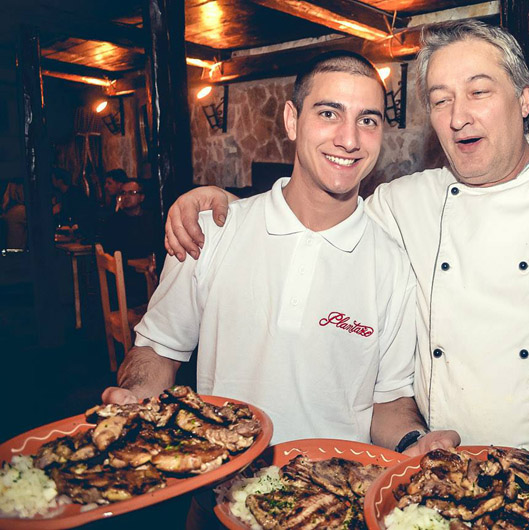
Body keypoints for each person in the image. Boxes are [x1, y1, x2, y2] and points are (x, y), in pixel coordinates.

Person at [164, 22, 529, 530]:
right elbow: (316, 210)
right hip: (449, 491)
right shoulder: (403, 202)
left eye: (479, 92)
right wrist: (222, 203)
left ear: (525, 98)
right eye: (441, 100)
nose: (458, 116)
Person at [102, 51, 459, 456]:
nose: (349, 139)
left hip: (336, 487)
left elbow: (388, 400)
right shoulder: (212, 230)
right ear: (292, 120)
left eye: (368, 120)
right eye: (329, 113)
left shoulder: (394, 265)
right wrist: (135, 397)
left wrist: (414, 442)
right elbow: (158, 349)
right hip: (222, 481)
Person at [100, 178, 159, 307]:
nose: (126, 197)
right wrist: (133, 263)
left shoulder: (152, 219)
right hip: (125, 278)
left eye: (131, 193)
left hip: (151, 270)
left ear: (141, 197)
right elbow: (110, 253)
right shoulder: (113, 222)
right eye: (123, 193)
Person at [51, 167, 94, 237]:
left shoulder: (75, 193)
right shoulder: (62, 195)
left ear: (60, 181)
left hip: (81, 232)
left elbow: (83, 215)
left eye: (53, 179)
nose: (52, 182)